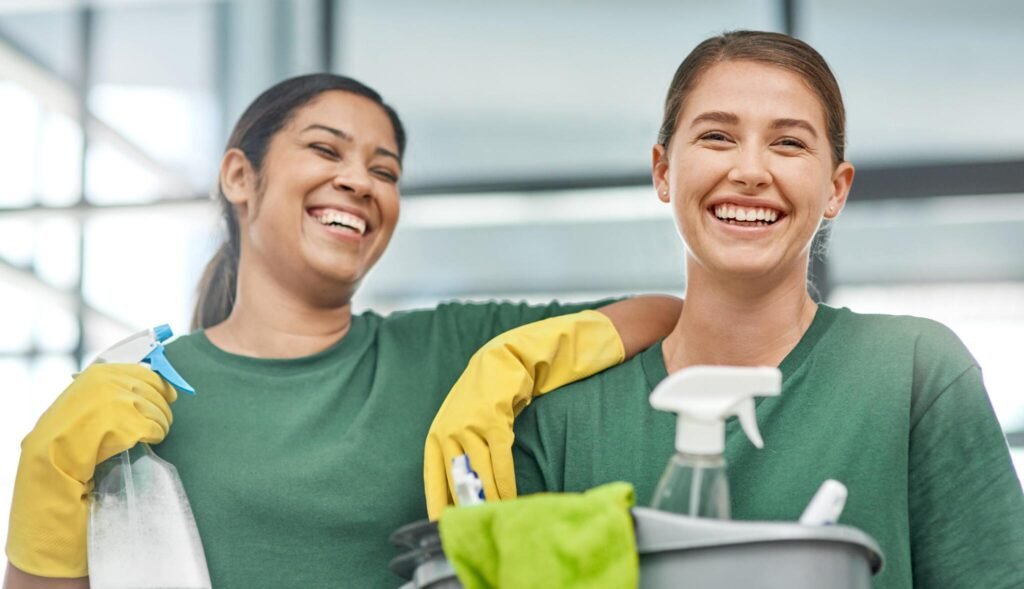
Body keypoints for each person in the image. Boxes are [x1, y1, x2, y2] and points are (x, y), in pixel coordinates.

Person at [3, 74, 682, 588]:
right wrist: (46, 484)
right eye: (326, 149)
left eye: (384, 170)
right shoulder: (135, 395)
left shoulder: (445, 348)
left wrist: (514, 359)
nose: (359, 180)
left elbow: (666, 314)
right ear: (241, 177)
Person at [504, 31, 1024, 589]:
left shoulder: (913, 371)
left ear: (836, 188)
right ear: (662, 171)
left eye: (790, 144)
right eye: (717, 136)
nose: (750, 171)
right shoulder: (563, 417)